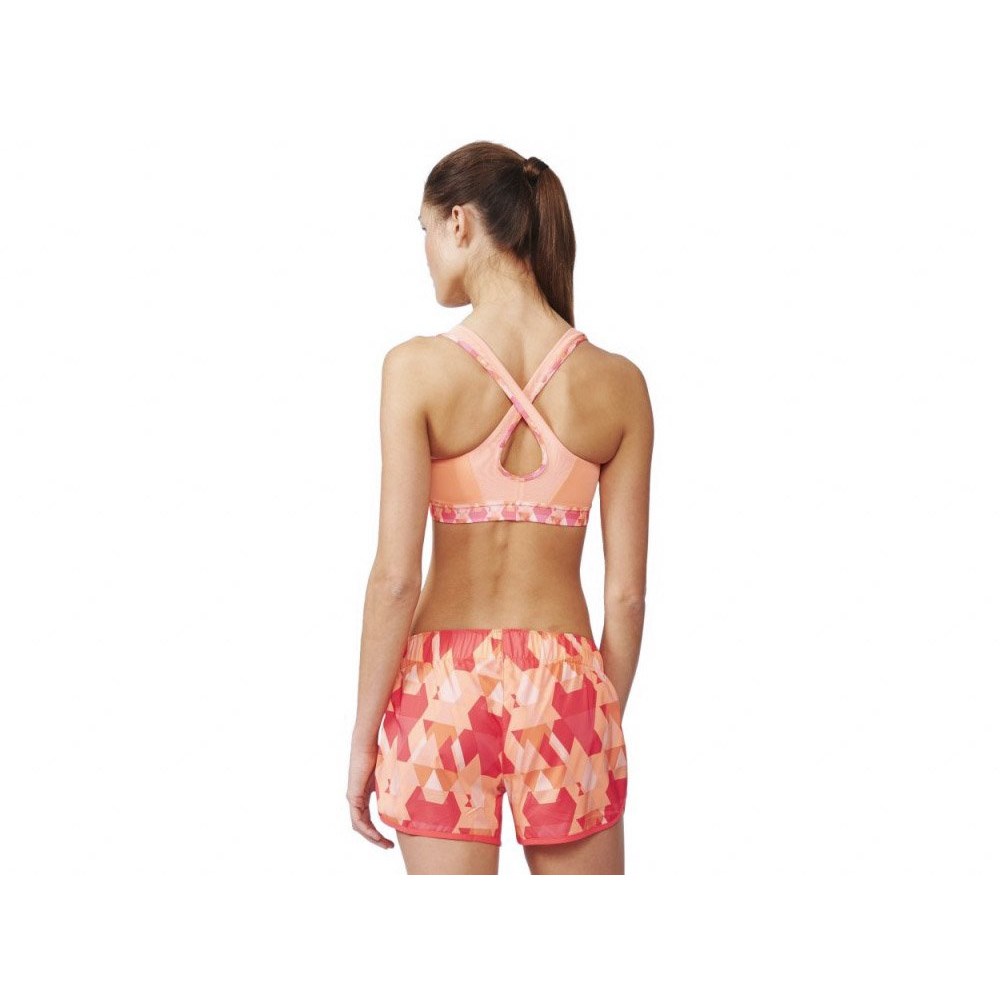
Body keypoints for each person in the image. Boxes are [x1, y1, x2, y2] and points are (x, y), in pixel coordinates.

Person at [347, 140, 653, 875]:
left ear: (459, 222)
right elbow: (627, 596)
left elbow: (396, 579)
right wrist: (593, 714)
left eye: (424, 229)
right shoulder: (619, 384)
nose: (425, 251)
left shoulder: (415, 369)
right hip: (567, 679)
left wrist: (362, 739)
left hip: (440, 689)